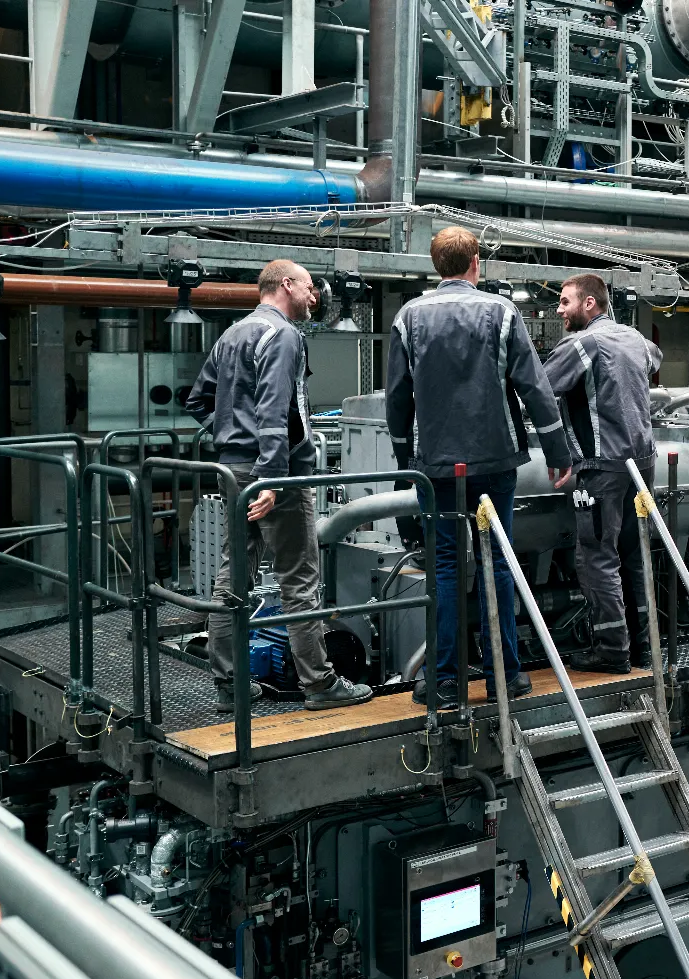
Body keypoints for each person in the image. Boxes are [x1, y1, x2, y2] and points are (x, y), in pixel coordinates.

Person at [387, 227, 574, 709]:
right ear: (475, 263)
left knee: (446, 567)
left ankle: (445, 682)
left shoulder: (409, 316)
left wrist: (405, 458)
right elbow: (535, 387)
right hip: (494, 460)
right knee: (498, 563)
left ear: (436, 266)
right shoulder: (502, 312)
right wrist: (557, 451)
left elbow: (398, 397)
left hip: (437, 466)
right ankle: (504, 676)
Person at [186, 259, 374, 713]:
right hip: (277, 475)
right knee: (300, 578)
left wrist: (232, 437)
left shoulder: (233, 334)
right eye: (309, 288)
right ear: (286, 284)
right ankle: (319, 684)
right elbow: (273, 411)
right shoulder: (283, 335)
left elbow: (197, 401)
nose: (314, 297)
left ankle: (230, 684)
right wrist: (271, 476)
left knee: (234, 575)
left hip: (234, 471)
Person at [543, 273, 660, 673]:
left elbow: (540, 389)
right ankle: (643, 648)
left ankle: (611, 651)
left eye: (565, 302)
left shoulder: (581, 344)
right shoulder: (635, 339)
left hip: (602, 467)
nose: (559, 310)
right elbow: (656, 358)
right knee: (635, 555)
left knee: (597, 557)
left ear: (589, 303)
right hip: (642, 465)